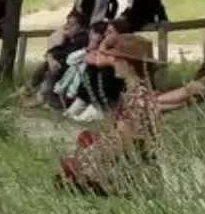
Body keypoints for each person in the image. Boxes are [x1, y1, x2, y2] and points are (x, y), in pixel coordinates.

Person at [57, 33, 160, 196]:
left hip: (134, 172)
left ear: (128, 65)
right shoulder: (140, 93)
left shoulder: (136, 97)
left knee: (67, 174)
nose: (114, 62)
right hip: (139, 166)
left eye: (117, 59)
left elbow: (123, 141)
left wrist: (88, 155)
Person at [65, 18, 133, 122]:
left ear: (121, 35)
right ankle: (83, 101)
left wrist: (102, 47)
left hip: (119, 92)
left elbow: (100, 62)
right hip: (103, 87)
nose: (105, 34)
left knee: (105, 70)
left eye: (110, 32)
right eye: (106, 31)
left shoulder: (125, 49)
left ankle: (101, 109)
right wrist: (100, 56)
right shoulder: (109, 49)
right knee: (91, 69)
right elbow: (88, 58)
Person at [22, 11, 89, 108]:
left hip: (73, 69)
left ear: (81, 27)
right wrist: (51, 60)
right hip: (63, 65)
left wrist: (52, 60)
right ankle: (31, 90)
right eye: (67, 23)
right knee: (48, 64)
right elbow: (52, 52)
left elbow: (67, 56)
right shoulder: (69, 38)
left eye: (72, 24)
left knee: (54, 67)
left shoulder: (82, 39)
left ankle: (40, 96)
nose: (67, 27)